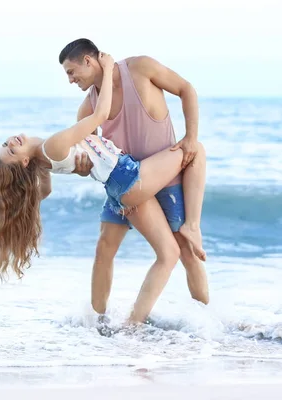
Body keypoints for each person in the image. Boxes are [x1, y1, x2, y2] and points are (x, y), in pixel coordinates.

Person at [0, 52, 206, 324]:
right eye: (11, 150)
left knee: (108, 251)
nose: (11, 141)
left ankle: (97, 320)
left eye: (5, 143)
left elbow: (46, 191)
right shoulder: (52, 146)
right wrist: (107, 65)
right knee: (195, 150)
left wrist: (79, 168)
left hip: (116, 185)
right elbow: (101, 114)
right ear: (22, 161)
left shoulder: (42, 162)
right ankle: (136, 322)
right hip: (127, 177)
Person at [59, 39, 209, 323]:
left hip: (167, 179)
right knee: (104, 247)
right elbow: (90, 156)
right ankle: (97, 322)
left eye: (71, 71)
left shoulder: (140, 67)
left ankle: (206, 324)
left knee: (187, 254)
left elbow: (186, 90)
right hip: (129, 184)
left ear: (89, 61)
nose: (70, 80)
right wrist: (81, 168)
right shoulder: (89, 106)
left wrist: (190, 137)